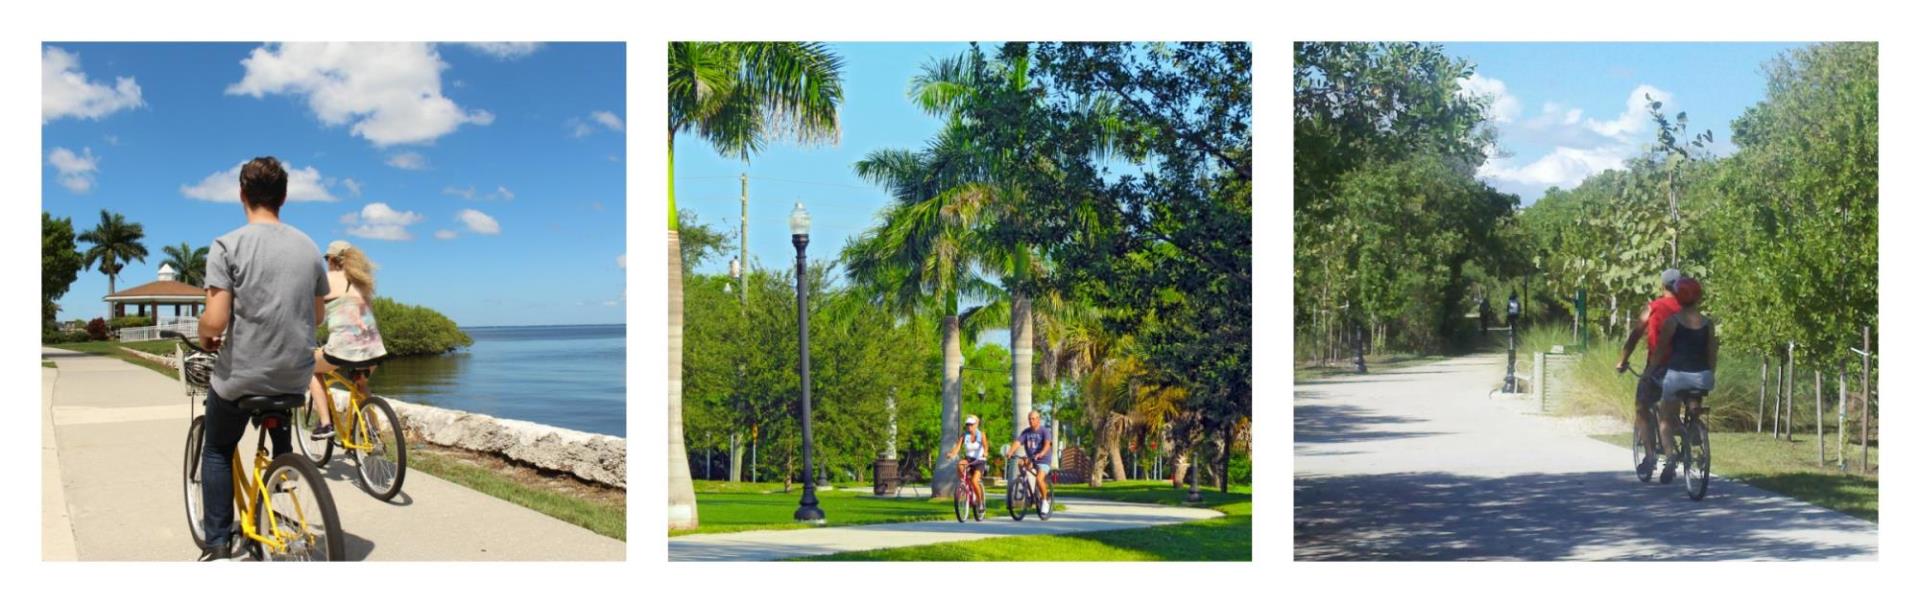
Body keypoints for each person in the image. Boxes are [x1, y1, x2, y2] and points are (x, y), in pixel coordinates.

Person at [195, 157, 330, 561]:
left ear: (241, 194)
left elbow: (216, 319)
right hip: (294, 376)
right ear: (284, 197)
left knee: (218, 449)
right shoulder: (308, 247)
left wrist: (205, 335)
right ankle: (276, 486)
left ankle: (218, 543)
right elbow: (318, 315)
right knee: (273, 428)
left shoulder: (227, 245)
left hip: (244, 376)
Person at [306, 240, 388, 440]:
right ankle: (372, 431)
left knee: (309, 367)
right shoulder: (363, 281)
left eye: (327, 259)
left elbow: (314, 316)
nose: (326, 263)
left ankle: (325, 424)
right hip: (375, 350)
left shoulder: (328, 278)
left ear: (333, 260)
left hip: (344, 349)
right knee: (360, 383)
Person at [1615, 268, 1684, 480]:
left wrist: (1623, 360)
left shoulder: (1653, 308)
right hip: (1686, 369)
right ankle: (1686, 436)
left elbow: (1636, 335)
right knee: (1671, 410)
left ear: (1662, 286)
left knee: (1641, 407)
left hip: (1659, 368)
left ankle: (1651, 456)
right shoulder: (1688, 310)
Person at [1650, 277, 1716, 482]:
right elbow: (1712, 353)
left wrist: (1651, 370)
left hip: (1677, 376)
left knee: (1665, 417)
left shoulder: (1673, 322)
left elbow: (1660, 350)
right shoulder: (1708, 323)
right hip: (1703, 377)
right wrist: (1710, 373)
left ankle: (1670, 458)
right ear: (1698, 298)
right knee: (1693, 396)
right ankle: (1695, 426)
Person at [943, 415, 990, 506]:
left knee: (974, 481)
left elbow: (986, 446)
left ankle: (980, 501)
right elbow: (957, 447)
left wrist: (986, 452)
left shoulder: (981, 435)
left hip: (979, 461)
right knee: (960, 464)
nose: (969, 427)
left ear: (976, 425)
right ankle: (964, 484)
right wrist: (951, 454)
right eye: (967, 425)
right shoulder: (964, 435)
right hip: (969, 460)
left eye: (971, 424)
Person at [1016, 410, 1054, 507]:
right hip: (1032, 458)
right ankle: (1027, 490)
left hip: (1043, 460)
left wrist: (1042, 453)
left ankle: (1045, 501)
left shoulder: (1044, 431)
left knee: (1039, 479)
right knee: (1020, 463)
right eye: (1029, 419)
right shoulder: (1026, 432)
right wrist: (1010, 452)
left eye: (1033, 419)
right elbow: (1017, 442)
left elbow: (1047, 445)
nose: (1031, 421)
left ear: (1038, 420)